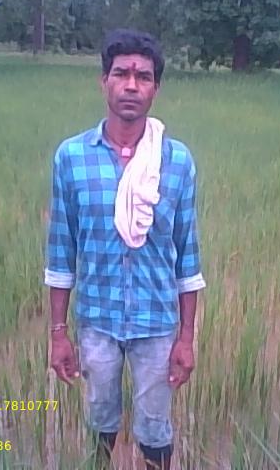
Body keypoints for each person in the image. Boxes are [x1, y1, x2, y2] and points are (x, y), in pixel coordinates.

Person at [43, 28, 206, 470]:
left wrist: (186, 339)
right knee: (100, 422)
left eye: (143, 76)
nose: (131, 85)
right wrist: (58, 334)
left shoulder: (176, 161)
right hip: (97, 321)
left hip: (156, 324)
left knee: (155, 428)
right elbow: (61, 253)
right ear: (104, 82)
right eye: (121, 74)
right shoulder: (71, 157)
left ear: (156, 88)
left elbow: (187, 258)